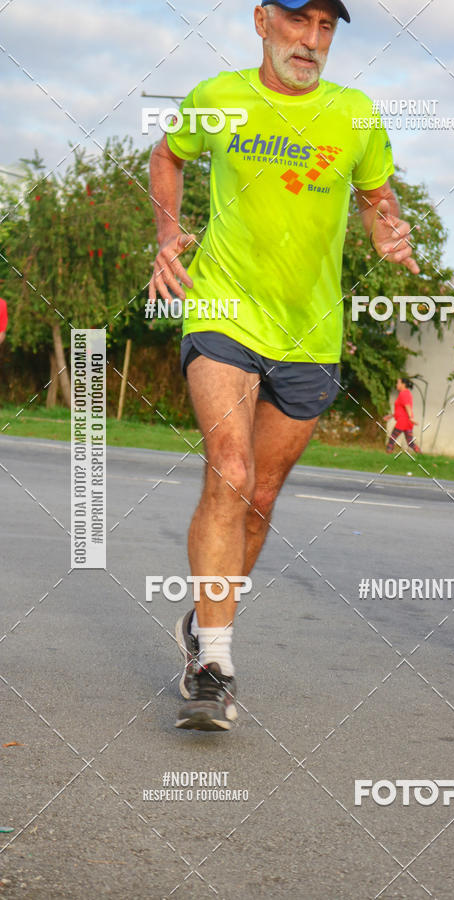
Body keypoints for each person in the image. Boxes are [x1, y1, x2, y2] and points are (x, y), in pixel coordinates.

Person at [148, 0, 420, 730]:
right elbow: (167, 155)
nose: (312, 40)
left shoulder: (355, 114)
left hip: (311, 331)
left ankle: (203, 621)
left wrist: (386, 226)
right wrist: (169, 232)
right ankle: (216, 666)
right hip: (224, 311)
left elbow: (374, 194)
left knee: (259, 498)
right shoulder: (221, 98)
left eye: (327, 27)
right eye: (300, 22)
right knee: (229, 472)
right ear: (264, 20)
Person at [384, 376, 420, 454]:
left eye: (398, 383)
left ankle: (387, 455)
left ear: (403, 384)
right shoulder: (405, 393)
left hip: (403, 421)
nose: (396, 384)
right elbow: (401, 410)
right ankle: (421, 455)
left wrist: (411, 418)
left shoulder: (404, 394)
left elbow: (407, 406)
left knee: (392, 439)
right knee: (410, 442)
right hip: (406, 421)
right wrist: (391, 416)